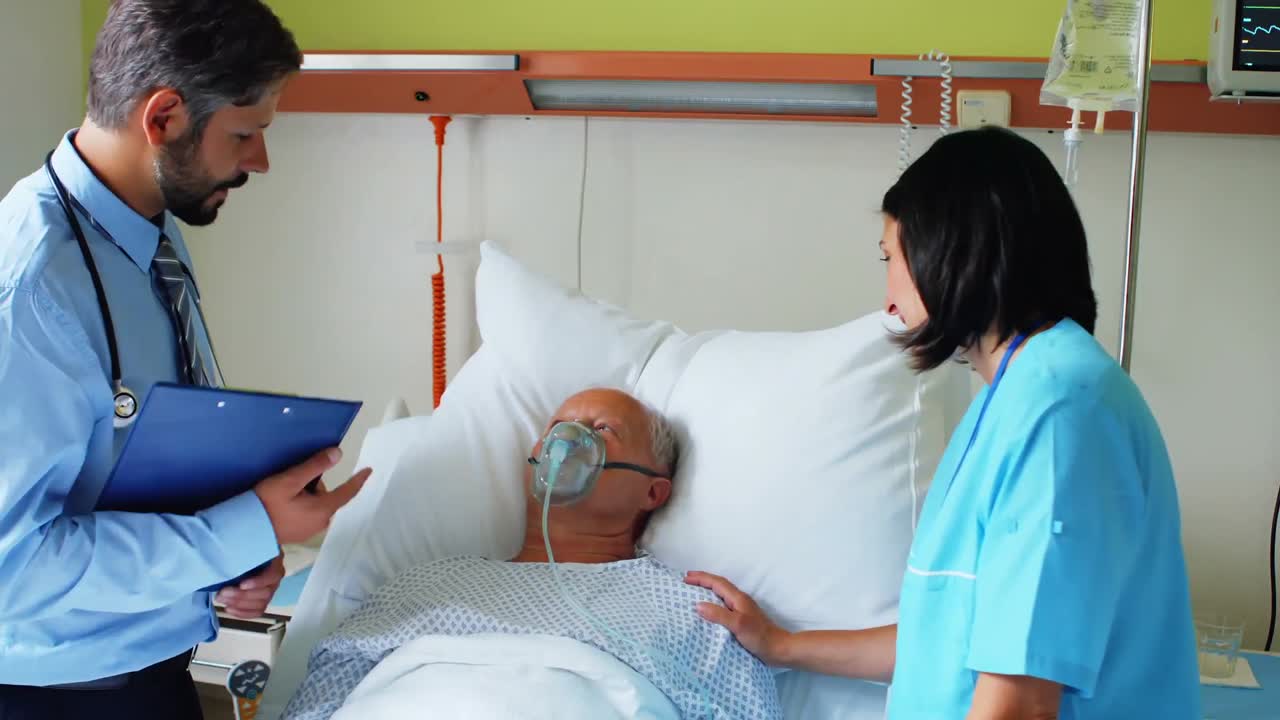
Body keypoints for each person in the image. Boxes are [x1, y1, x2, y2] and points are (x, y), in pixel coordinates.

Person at [687, 126, 1201, 719]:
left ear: (951, 251)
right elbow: (947, 643)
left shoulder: (1059, 411)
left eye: (891, 258)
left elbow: (1021, 702)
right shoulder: (1006, 398)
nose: (887, 299)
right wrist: (782, 645)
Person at [0, 1, 368, 716]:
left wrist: (228, 562)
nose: (259, 160)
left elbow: (125, 472)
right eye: (244, 133)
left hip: (154, 669)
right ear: (163, 117)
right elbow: (12, 568)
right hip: (54, 695)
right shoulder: (34, 290)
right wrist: (241, 528)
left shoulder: (147, 238)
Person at [278, 388, 782, 720]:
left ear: (652, 493)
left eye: (602, 430)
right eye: (556, 425)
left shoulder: (689, 609)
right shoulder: (431, 582)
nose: (567, 439)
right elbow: (323, 695)